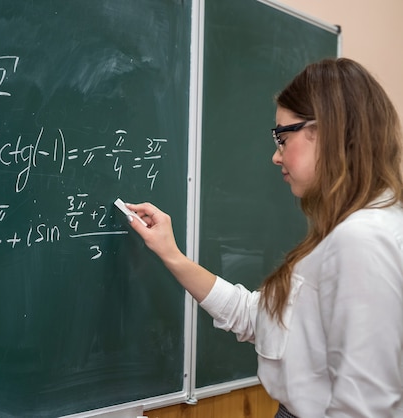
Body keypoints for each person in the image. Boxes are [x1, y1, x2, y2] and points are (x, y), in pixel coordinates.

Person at [126, 58, 403, 417]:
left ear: (325, 131)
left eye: (282, 137)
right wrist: (172, 255)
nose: (276, 156)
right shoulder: (349, 231)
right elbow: (258, 316)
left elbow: (365, 407)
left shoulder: (361, 240)